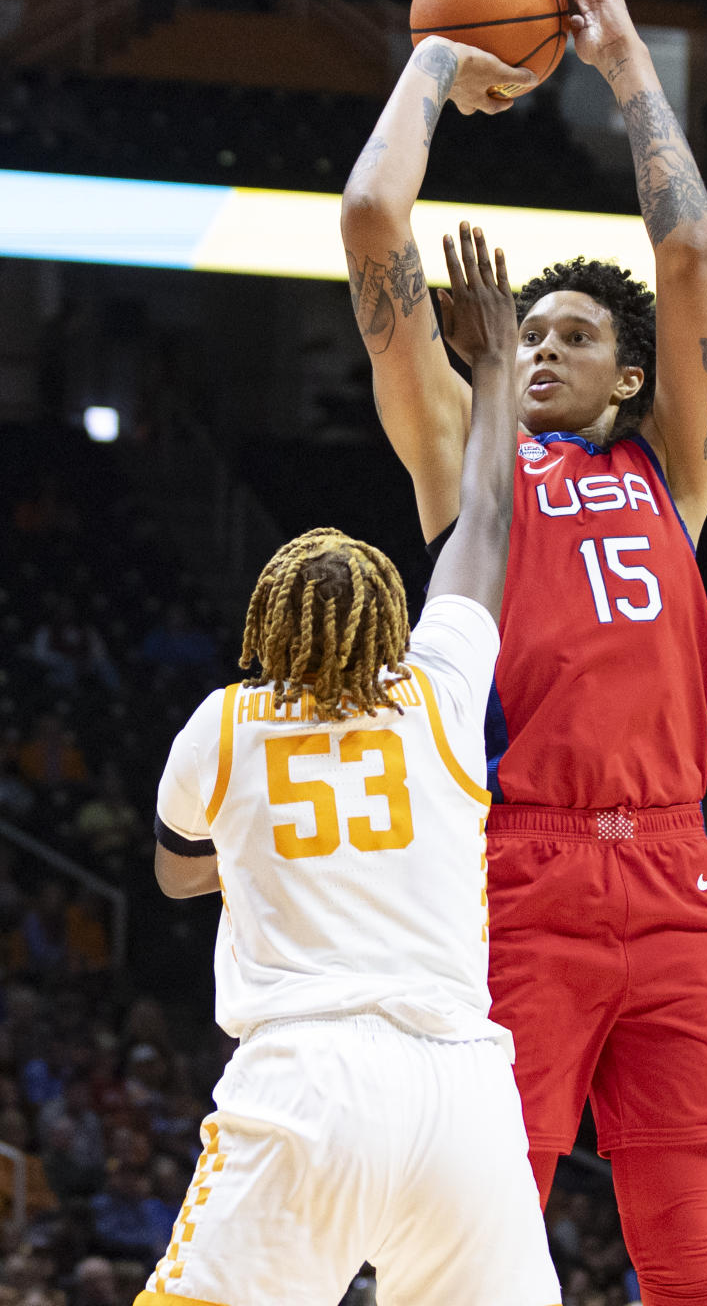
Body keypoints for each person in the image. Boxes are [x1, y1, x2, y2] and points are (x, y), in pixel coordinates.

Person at [340, 0, 707, 1306]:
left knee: (694, 1253)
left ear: (634, 373)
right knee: (483, 1235)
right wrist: (429, 64)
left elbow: (694, 247)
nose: (541, 345)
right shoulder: (466, 470)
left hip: (673, 879)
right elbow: (369, 218)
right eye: (528, 330)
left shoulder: (674, 471)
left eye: (576, 334)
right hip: (517, 876)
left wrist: (627, 62)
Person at [133, 229, 561, 1306]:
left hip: (309, 1080)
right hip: (461, 1085)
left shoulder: (225, 727)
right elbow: (488, 521)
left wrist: (272, 860)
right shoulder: (438, 692)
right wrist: (496, 370)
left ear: (268, 628)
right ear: (391, 623)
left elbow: (178, 873)